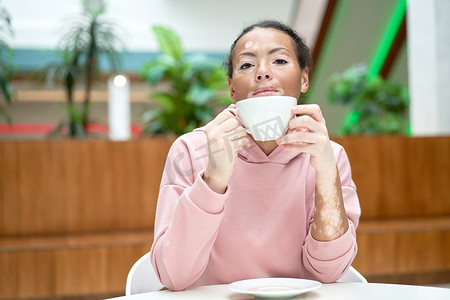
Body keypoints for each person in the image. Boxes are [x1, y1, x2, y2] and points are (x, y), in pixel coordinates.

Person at [150, 20, 361, 291]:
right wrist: (213, 178)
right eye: (247, 65)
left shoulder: (328, 155)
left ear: (304, 78)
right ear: (232, 88)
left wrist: (327, 174)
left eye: (280, 61)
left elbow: (329, 271)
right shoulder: (191, 150)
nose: (262, 72)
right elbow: (174, 276)